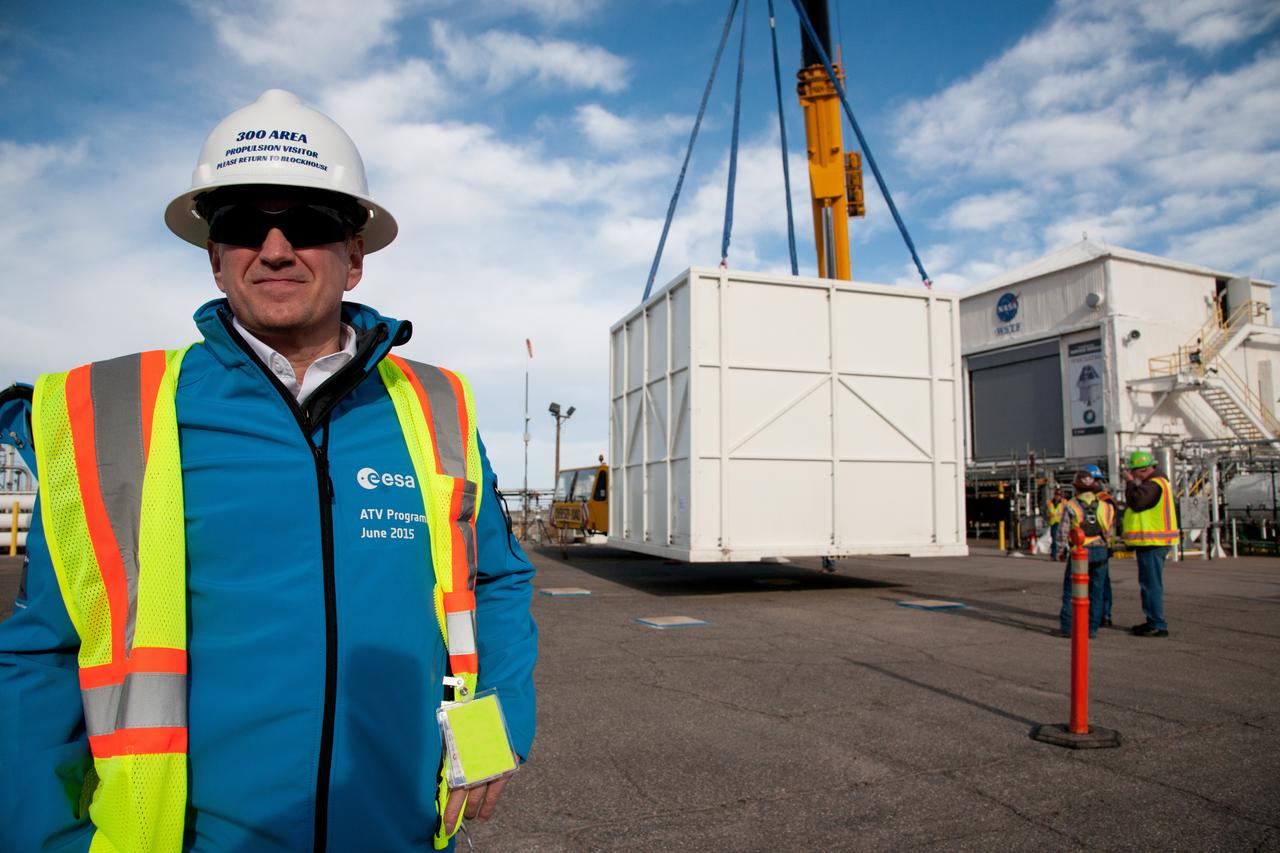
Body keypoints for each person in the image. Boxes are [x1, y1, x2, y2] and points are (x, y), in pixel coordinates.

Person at [0, 89, 537, 851]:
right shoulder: (113, 415)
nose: (276, 248)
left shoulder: (437, 405)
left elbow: (495, 579)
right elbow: (41, 654)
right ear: (215, 255)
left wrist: (494, 730)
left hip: (399, 832)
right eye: (245, 224)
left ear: (355, 256)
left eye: (310, 224)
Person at [1052, 468, 1116, 639]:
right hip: (1101, 551)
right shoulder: (1107, 507)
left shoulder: (1071, 505)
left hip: (1080, 553)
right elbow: (1110, 531)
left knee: (1071, 591)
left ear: (1076, 487)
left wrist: (1059, 551)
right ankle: (1092, 629)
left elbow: (1063, 531)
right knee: (1097, 591)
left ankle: (1068, 628)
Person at [1122, 449, 1179, 637]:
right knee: (1148, 583)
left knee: (1151, 584)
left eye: (1134, 471)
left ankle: (1157, 623)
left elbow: (1137, 502)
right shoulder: (1156, 484)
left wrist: (1130, 483)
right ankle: (1152, 620)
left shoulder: (1154, 484)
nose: (1132, 475)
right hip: (1150, 542)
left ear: (1144, 469)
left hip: (1153, 542)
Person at [1092, 465, 1117, 627]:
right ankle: (1101, 614)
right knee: (1099, 581)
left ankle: (1103, 614)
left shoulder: (1104, 500)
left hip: (1100, 544)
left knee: (1100, 582)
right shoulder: (1104, 499)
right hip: (1098, 544)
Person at [1046, 488, 1067, 560]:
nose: (1058, 496)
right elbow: (1047, 512)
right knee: (1054, 540)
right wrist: (1048, 516)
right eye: (1057, 495)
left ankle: (1063, 555)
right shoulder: (1050, 503)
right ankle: (1054, 555)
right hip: (1053, 523)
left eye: (1059, 495)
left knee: (1063, 540)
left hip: (1061, 523)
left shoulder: (1064, 502)